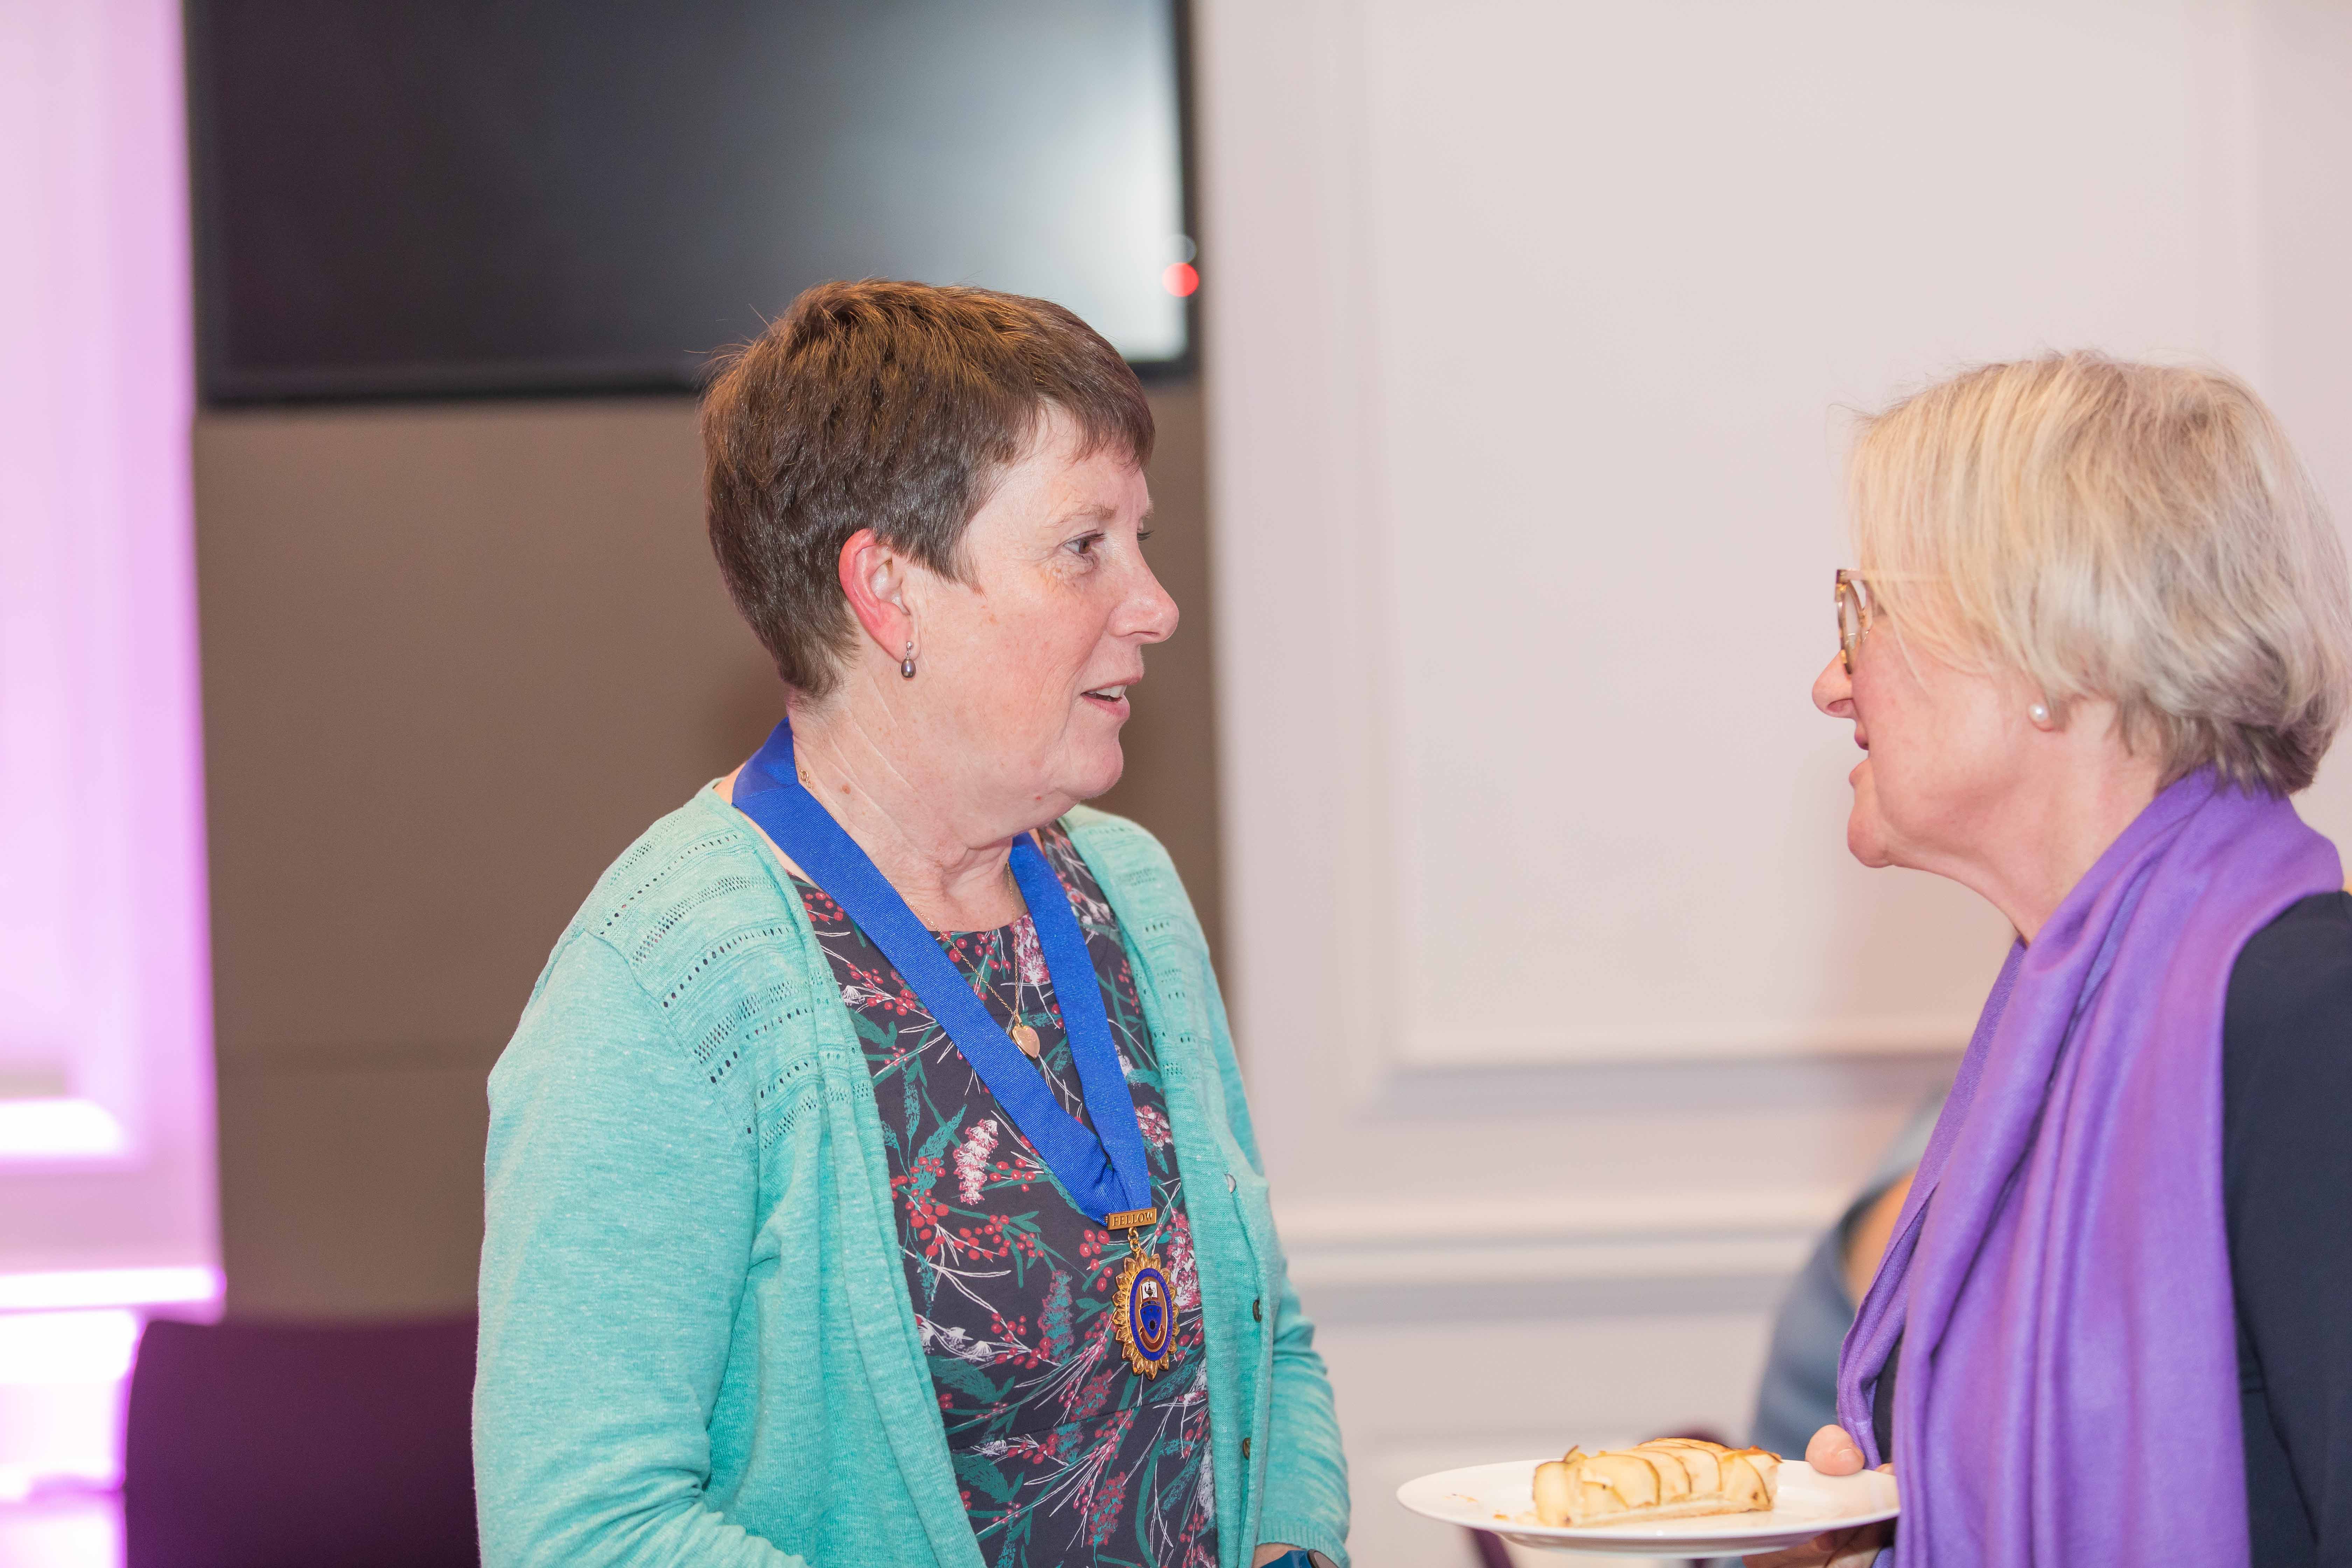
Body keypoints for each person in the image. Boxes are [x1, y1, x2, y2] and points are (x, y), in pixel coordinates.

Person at [473, 281, 1349, 1568]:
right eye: (1085, 547)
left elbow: (1265, 1345)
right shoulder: (665, 983)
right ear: (890, 590)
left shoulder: (1135, 897)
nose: (1154, 605)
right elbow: (582, 1534)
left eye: (1139, 542)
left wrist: (1297, 1549)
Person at [1754, 353, 2352, 1568]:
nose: (1833, 680)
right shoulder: (2049, 1027)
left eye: (1863, 612)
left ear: (2051, 656)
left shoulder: (2307, 1021)